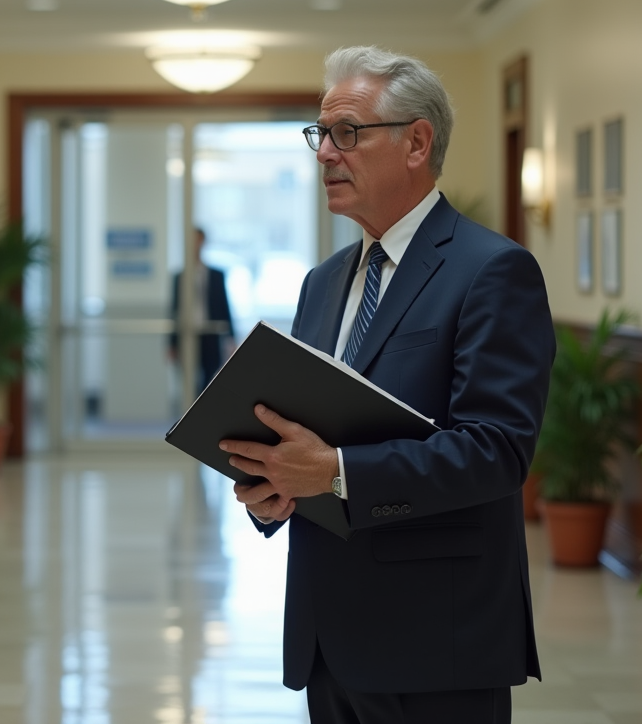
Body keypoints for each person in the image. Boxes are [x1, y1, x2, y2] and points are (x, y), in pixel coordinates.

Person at [221, 46, 554, 723]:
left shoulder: (492, 270)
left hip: (437, 640)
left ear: (416, 143)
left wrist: (334, 472)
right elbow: (311, 431)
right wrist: (272, 487)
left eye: (347, 132)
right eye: (320, 134)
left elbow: (496, 450)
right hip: (327, 638)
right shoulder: (322, 283)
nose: (324, 154)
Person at [169, 227, 234, 395]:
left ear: (203, 242)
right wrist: (171, 343)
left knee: (210, 379)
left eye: (197, 240)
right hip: (187, 334)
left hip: (210, 333)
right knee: (189, 380)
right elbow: (173, 310)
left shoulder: (216, 275)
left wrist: (231, 337)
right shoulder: (179, 277)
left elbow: (224, 306)